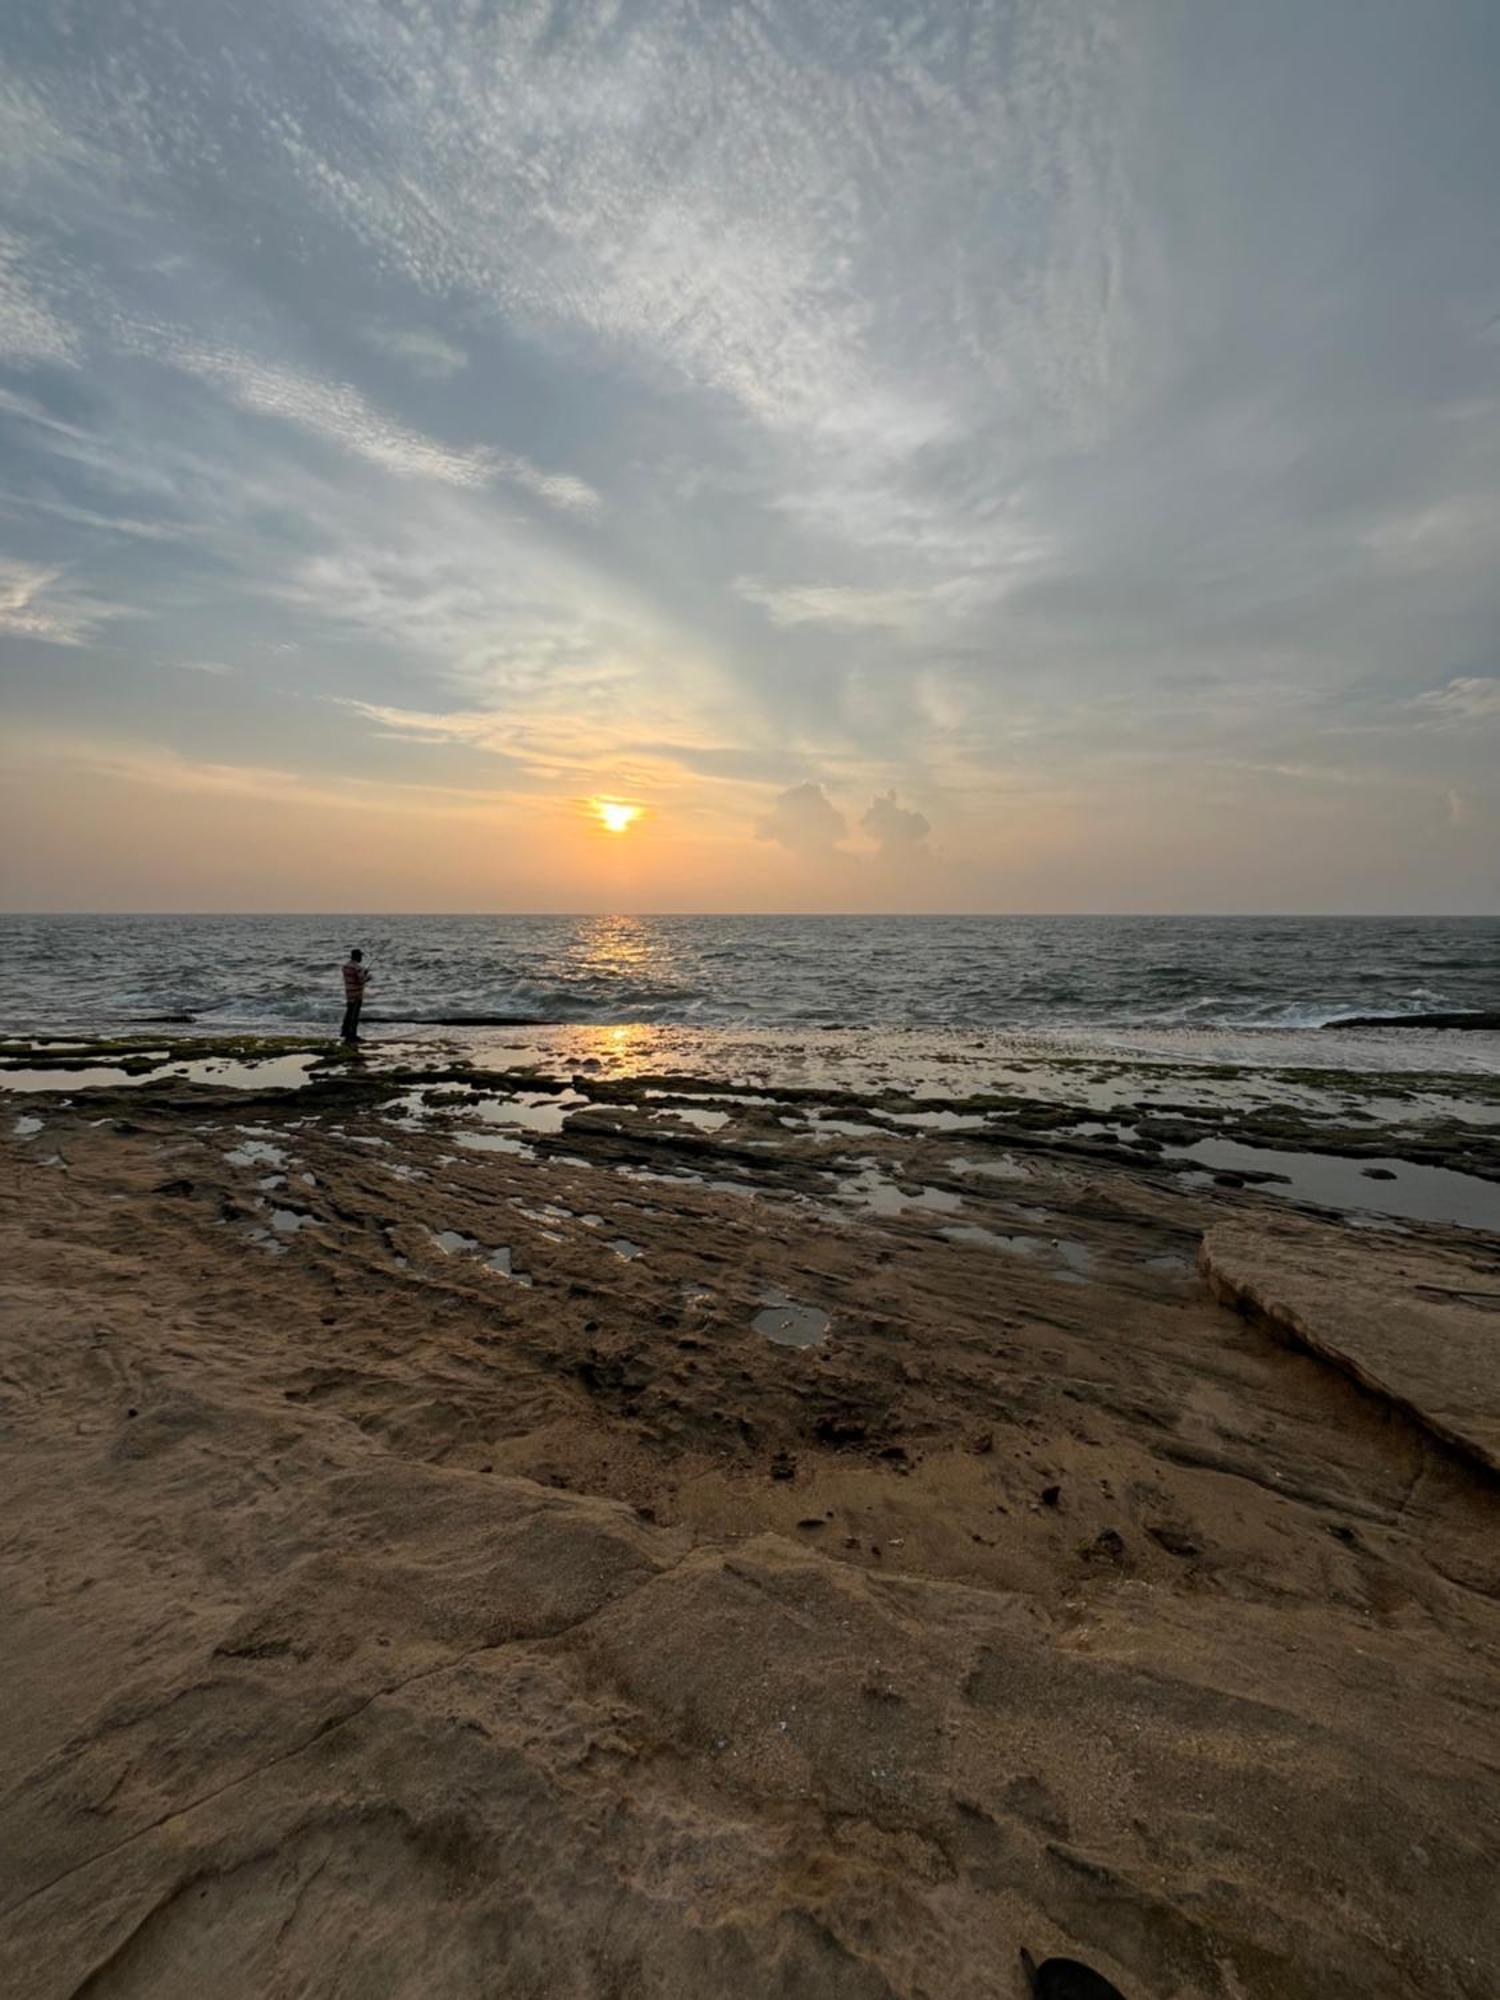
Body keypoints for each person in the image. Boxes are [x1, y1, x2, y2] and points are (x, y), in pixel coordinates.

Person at [340, 947, 371, 1044]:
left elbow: (353, 977)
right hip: (357, 994)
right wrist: (368, 977)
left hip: (349, 993)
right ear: (357, 957)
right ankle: (352, 1035)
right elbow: (361, 980)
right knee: (354, 1015)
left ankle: (344, 1032)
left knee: (348, 1014)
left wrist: (362, 973)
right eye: (360, 956)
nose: (361, 958)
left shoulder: (345, 966)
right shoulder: (358, 968)